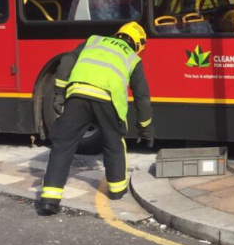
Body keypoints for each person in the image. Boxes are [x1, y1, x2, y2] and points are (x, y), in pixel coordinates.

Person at [35, 22, 153, 215]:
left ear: (118, 33)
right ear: (139, 44)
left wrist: (59, 93)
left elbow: (66, 62)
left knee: (62, 145)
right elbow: (142, 97)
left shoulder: (93, 41)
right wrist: (145, 127)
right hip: (108, 101)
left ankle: (49, 200)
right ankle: (117, 191)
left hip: (78, 96)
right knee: (114, 143)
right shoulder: (133, 58)